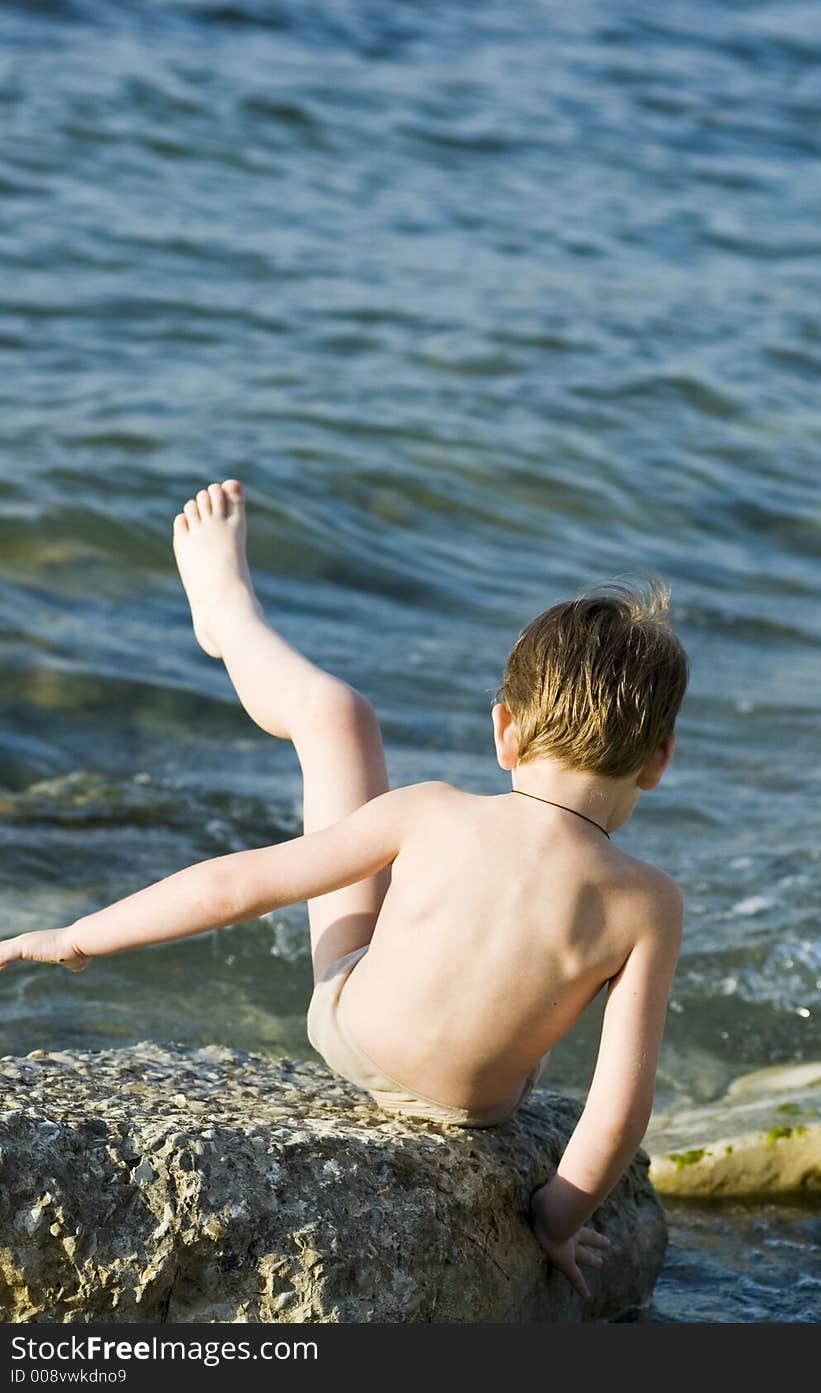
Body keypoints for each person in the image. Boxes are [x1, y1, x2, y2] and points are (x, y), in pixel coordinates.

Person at [0, 479, 688, 1300]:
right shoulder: (647, 902)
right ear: (658, 760)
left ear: (505, 729)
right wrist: (556, 1221)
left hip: (352, 1028)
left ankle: (228, 617)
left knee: (337, 716)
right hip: (476, 1112)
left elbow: (239, 884)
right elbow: (622, 1104)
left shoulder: (433, 809)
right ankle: (228, 614)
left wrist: (77, 935)